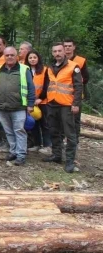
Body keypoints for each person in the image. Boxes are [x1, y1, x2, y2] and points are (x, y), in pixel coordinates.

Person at [0, 46, 36, 166]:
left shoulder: (24, 69)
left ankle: (21, 155)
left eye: (12, 55)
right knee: (8, 131)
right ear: (4, 57)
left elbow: (31, 88)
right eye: (7, 55)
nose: (9, 57)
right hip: (2, 107)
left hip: (19, 107)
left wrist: (30, 104)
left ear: (16, 56)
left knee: (19, 131)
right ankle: (13, 151)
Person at [44, 42, 83, 173]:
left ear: (64, 52)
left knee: (70, 134)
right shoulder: (50, 67)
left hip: (67, 105)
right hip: (52, 103)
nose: (57, 54)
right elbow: (49, 85)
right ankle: (56, 155)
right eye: (54, 51)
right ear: (52, 53)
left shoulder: (73, 67)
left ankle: (70, 161)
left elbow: (78, 87)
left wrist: (76, 104)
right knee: (54, 131)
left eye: (59, 51)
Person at [26, 49, 52, 155]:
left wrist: (40, 98)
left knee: (45, 124)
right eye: (30, 58)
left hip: (43, 101)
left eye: (34, 57)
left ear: (38, 58)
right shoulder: (25, 70)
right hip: (30, 102)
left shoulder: (45, 70)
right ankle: (36, 144)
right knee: (34, 124)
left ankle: (47, 145)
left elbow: (47, 85)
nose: (32, 59)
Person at [63, 38, 88, 136]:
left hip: (75, 95)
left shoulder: (80, 61)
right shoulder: (60, 59)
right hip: (62, 95)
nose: (67, 48)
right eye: (65, 46)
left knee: (75, 119)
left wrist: (74, 83)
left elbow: (86, 78)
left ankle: (75, 140)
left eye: (69, 46)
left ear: (74, 47)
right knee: (62, 120)